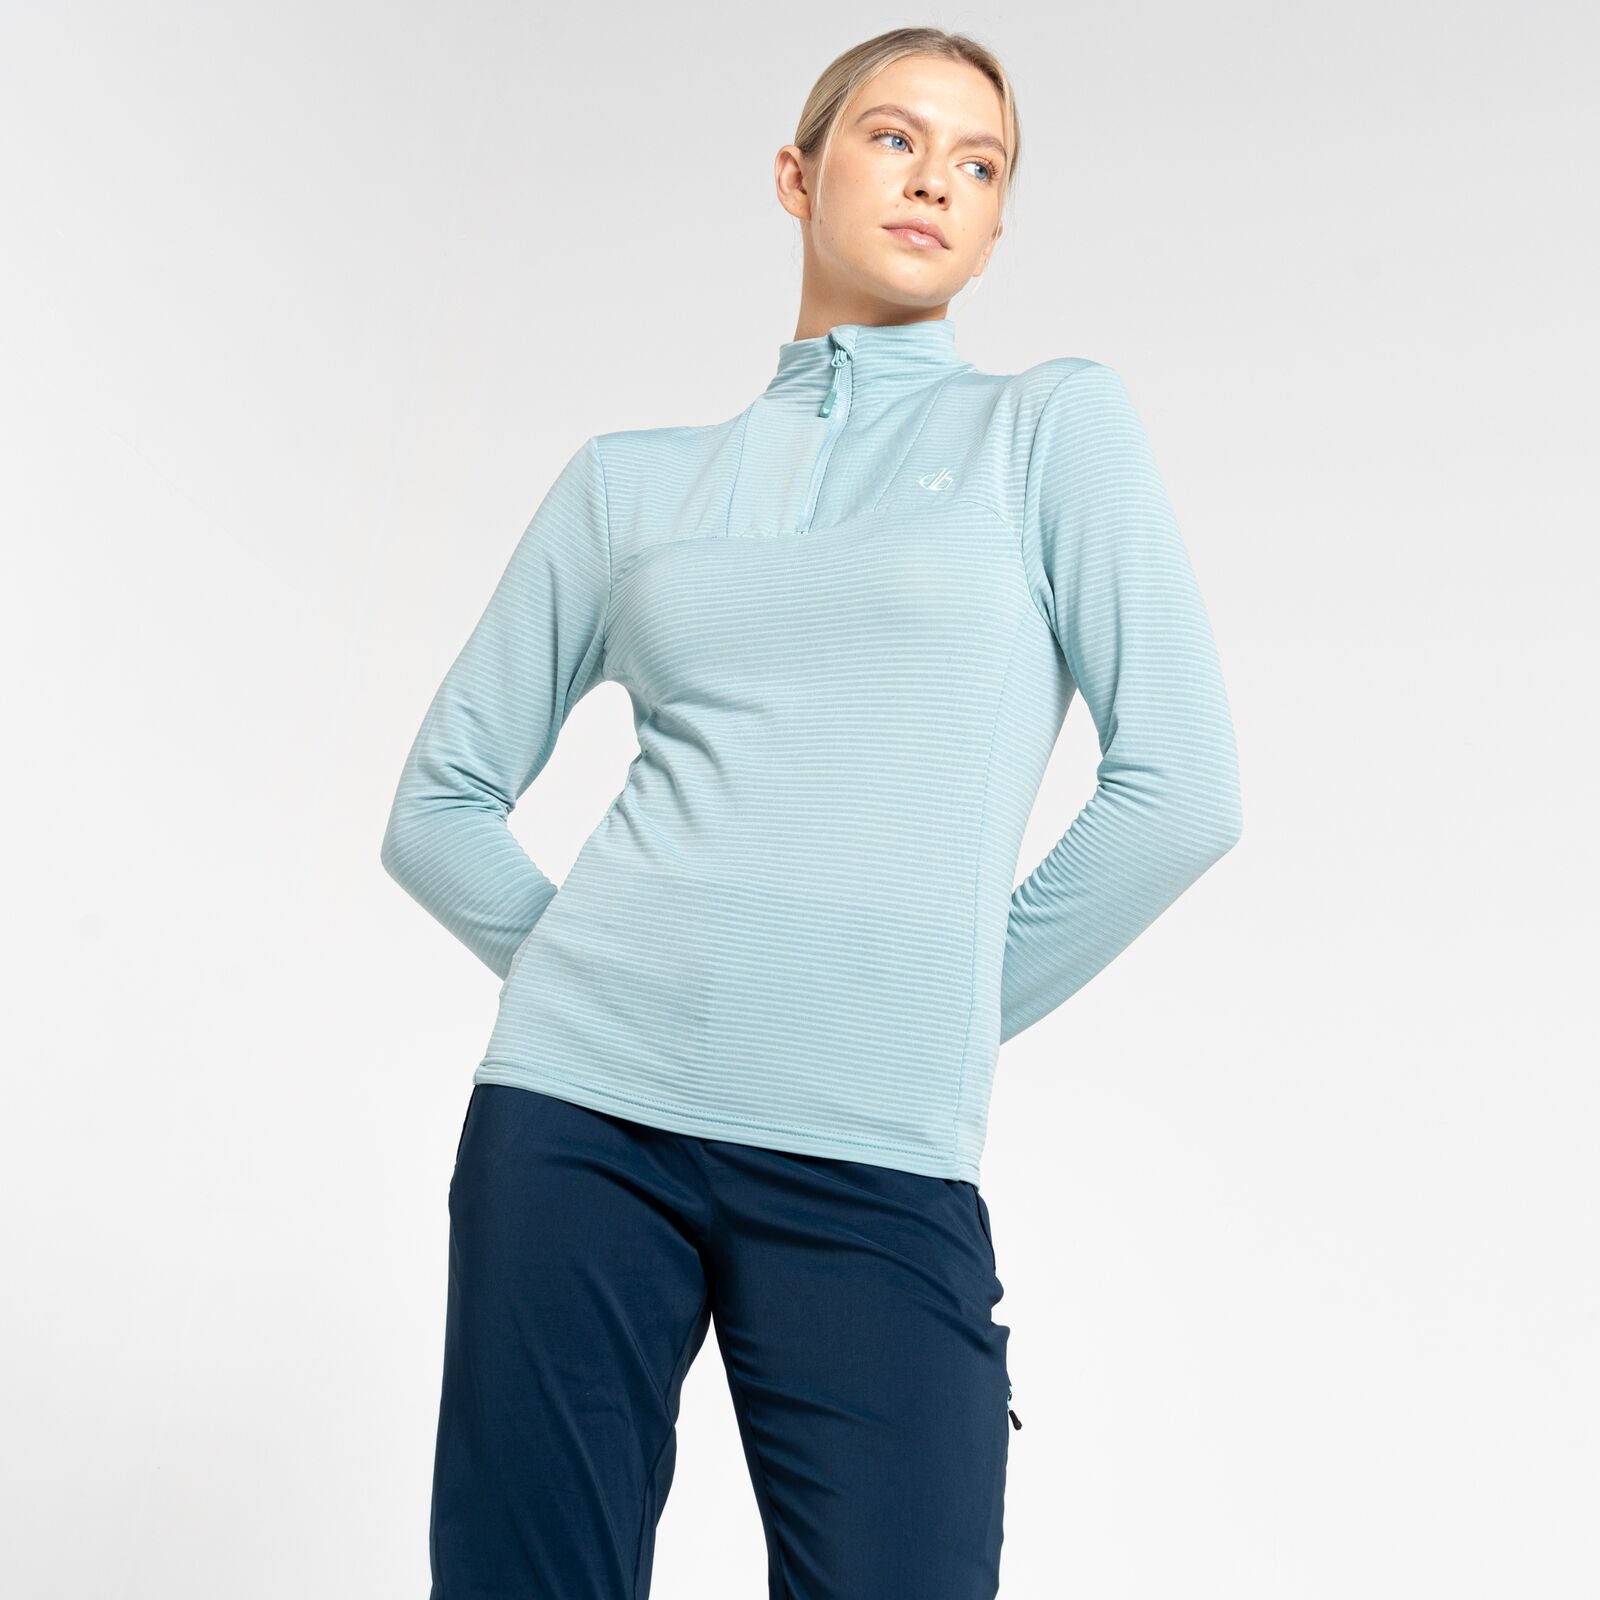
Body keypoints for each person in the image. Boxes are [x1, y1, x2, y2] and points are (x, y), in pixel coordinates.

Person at [380, 25, 1241, 1599]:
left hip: (874, 1151)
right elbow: (438, 803)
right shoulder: (626, 484)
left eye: (978, 163)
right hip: (575, 1128)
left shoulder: (1049, 429)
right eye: (894, 138)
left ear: (998, 224)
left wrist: (929, 1006)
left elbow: (1182, 789)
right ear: (798, 172)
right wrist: (599, 984)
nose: (936, 181)